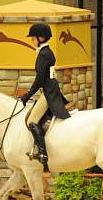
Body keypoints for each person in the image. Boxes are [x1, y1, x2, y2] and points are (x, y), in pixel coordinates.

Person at [19, 23, 70, 166]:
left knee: (31, 121)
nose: (31, 41)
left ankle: (42, 152)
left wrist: (27, 95)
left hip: (48, 93)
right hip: (51, 89)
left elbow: (40, 79)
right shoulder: (48, 52)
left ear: (40, 38)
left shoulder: (43, 54)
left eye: (33, 38)